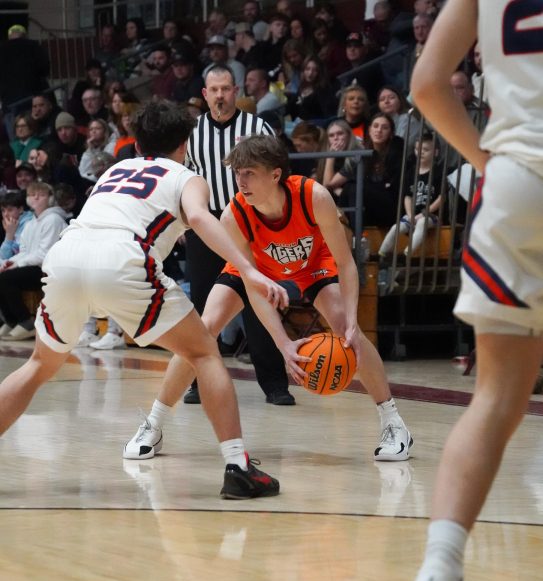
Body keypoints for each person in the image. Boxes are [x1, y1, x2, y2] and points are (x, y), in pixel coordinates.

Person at [0, 100, 285, 500]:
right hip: (122, 258)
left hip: (67, 255)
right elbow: (201, 220)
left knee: (37, 366)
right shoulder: (188, 176)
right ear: (185, 144)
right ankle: (238, 466)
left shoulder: (114, 170)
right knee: (204, 354)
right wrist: (250, 268)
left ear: (136, 146)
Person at [124, 135, 413, 463]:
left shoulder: (314, 196)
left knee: (350, 333)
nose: (240, 181)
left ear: (275, 174)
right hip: (255, 269)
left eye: (249, 173)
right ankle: (153, 424)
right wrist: (283, 344)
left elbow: (345, 263)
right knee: (201, 333)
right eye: (237, 173)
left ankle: (393, 423)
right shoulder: (234, 215)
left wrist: (352, 320)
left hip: (311, 264)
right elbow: (251, 283)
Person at [407, 1, 543, 581]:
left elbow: (427, 85)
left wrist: (488, 162)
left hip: (515, 183)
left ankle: (439, 570)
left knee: (493, 400)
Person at [173, 64, 294, 406]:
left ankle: (274, 384)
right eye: (215, 90)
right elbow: (183, 180)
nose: (221, 96)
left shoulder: (257, 127)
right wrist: (184, 221)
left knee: (258, 300)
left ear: (236, 90)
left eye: (227, 89)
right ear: (205, 94)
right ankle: (198, 381)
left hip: (250, 224)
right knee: (201, 305)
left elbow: (278, 173)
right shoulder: (192, 134)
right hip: (207, 225)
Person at [0, 181, 68, 341]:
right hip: (33, 266)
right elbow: (24, 251)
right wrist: (9, 263)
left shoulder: (53, 219)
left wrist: (17, 264)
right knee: (3, 273)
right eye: (32, 194)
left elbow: (44, 254)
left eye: (41, 194)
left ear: (50, 198)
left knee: (6, 279)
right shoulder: (31, 223)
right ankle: (10, 320)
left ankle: (25, 321)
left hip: (48, 269)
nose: (36, 197)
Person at [378, 132, 443, 260]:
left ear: (435, 152)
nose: (421, 152)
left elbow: (442, 197)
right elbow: (407, 196)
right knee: (397, 227)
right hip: (414, 214)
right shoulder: (411, 172)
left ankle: (407, 253)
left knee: (422, 223)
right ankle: (382, 254)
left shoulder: (438, 171)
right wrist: (410, 214)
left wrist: (424, 213)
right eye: (417, 149)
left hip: (432, 215)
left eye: (425, 149)